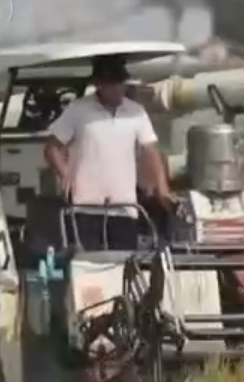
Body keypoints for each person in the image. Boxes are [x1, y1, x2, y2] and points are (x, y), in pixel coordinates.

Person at [43, 55, 175, 251]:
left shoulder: (136, 112)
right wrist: (65, 174)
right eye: (111, 84)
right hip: (86, 205)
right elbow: (52, 147)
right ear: (99, 85)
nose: (117, 89)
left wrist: (162, 188)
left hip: (124, 206)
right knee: (89, 262)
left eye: (120, 84)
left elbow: (151, 151)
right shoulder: (78, 109)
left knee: (124, 261)